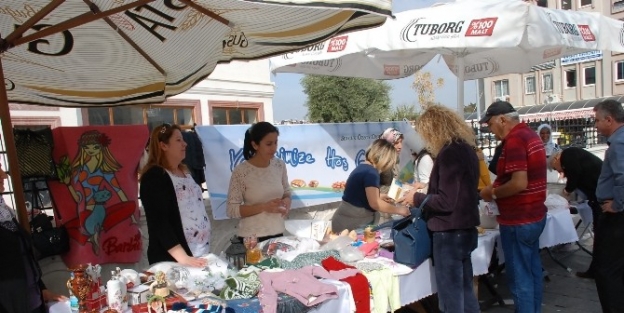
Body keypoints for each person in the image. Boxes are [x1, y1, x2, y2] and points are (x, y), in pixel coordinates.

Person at [399, 105, 481, 313]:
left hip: (450, 233)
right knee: (465, 292)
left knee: (451, 297)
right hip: (466, 228)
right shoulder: (466, 150)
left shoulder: (449, 153)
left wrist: (416, 197)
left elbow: (446, 201)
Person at [479, 101, 547, 313]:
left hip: (519, 220)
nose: (490, 130)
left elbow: (519, 183)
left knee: (520, 279)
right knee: (532, 272)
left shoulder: (515, 140)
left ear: (502, 119)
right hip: (534, 215)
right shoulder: (530, 135)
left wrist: (493, 193)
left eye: (489, 124)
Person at [0, 163, 67, 313]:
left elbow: (21, 260)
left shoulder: (5, 213)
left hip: (33, 302)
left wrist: (42, 290)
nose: (4, 175)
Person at [140, 124, 210, 267]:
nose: (185, 143)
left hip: (198, 251)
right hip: (174, 260)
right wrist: (183, 258)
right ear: (164, 146)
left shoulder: (185, 171)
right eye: (178, 140)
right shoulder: (154, 177)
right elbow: (160, 223)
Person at [227, 122, 291, 242]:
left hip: (278, 233)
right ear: (255, 145)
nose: (274, 148)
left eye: (276, 142)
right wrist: (264, 207)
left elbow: (286, 191)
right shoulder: (242, 171)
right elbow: (231, 210)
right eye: (268, 144)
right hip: (252, 239)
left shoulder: (279, 165)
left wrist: (286, 201)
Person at [332, 139, 410, 232]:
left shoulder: (362, 167)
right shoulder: (371, 173)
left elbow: (359, 195)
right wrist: (399, 210)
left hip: (343, 221)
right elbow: (375, 203)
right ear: (385, 159)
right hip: (350, 225)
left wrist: (380, 196)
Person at [548, 147, 602, 279]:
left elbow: (575, 173)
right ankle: (596, 268)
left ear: (556, 160)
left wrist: (566, 191)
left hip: (601, 197)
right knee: (600, 233)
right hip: (598, 196)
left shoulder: (568, 154)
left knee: (601, 234)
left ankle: (598, 270)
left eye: (556, 169)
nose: (559, 172)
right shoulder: (572, 156)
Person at [592, 99, 624, 312]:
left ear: (609, 119)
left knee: (606, 271)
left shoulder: (619, 143)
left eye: (596, 121)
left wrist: (618, 204)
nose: (595, 125)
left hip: (616, 217)